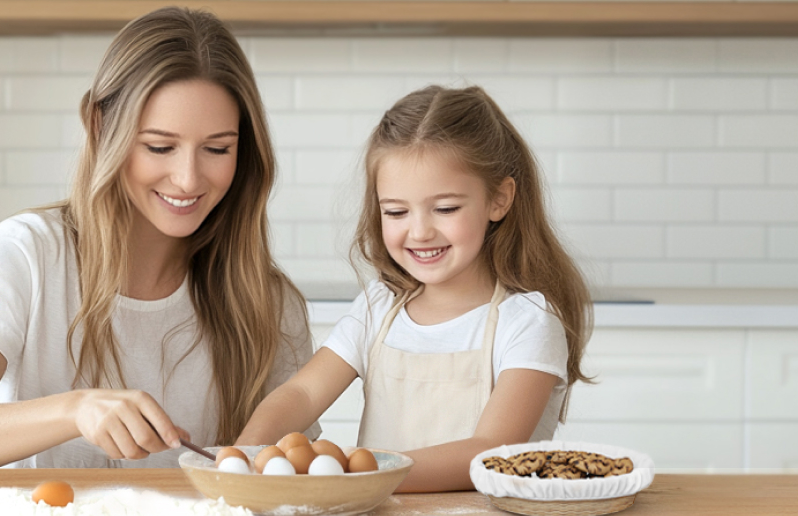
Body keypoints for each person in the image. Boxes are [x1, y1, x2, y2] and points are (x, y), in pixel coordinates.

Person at [0, 7, 314, 473]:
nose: (187, 179)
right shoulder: (29, 254)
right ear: (102, 128)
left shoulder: (269, 303)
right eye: (159, 147)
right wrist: (74, 410)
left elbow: (293, 471)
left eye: (218, 149)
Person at [235, 85, 594, 492]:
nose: (420, 231)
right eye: (396, 211)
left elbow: (491, 451)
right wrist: (248, 453)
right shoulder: (378, 308)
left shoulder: (527, 322)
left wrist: (358, 473)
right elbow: (301, 393)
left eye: (445, 209)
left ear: (499, 199)